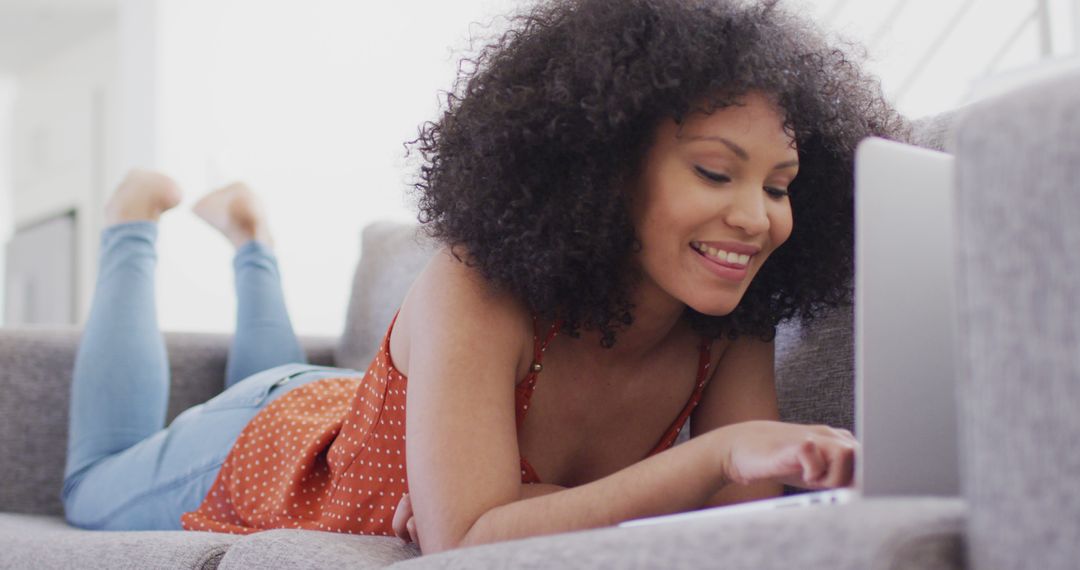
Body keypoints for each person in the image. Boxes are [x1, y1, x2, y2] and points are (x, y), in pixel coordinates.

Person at [61, 0, 906, 555]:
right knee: (91, 483)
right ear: (603, 168)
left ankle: (253, 239)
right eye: (716, 174)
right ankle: (131, 225)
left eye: (780, 185)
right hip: (271, 443)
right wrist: (711, 458)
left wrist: (539, 504)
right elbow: (472, 543)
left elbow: (736, 529)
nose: (757, 218)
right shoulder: (478, 285)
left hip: (351, 408)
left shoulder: (729, 317)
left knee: (280, 386)